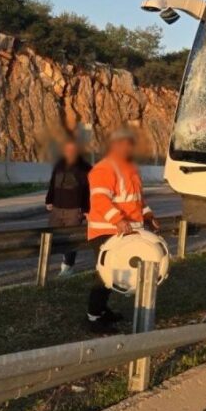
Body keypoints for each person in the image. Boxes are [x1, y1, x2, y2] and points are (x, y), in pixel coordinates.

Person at [85, 128, 160, 333]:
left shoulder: (131, 169)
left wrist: (148, 215)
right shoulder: (104, 169)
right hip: (107, 232)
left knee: (114, 274)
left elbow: (136, 200)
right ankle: (93, 318)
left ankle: (101, 311)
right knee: (105, 275)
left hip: (125, 232)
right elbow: (99, 199)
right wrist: (117, 220)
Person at [45, 139, 91, 277]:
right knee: (52, 238)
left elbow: (89, 190)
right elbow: (53, 183)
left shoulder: (85, 168)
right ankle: (46, 264)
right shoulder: (59, 165)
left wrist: (86, 209)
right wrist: (49, 200)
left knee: (71, 239)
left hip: (74, 210)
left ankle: (67, 267)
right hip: (57, 208)